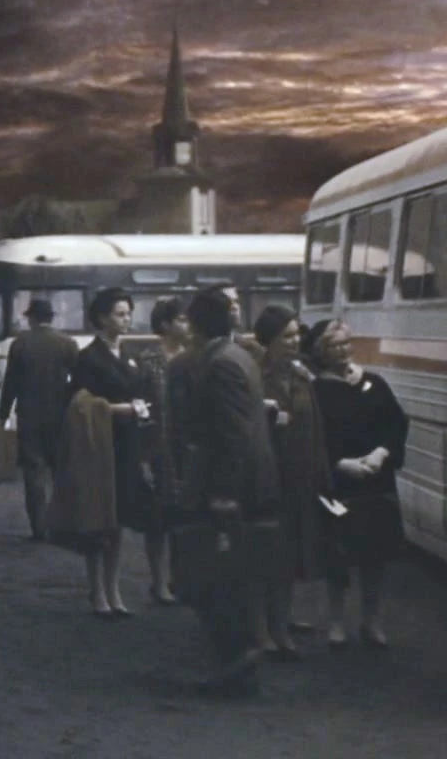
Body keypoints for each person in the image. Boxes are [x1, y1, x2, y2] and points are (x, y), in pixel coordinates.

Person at [170, 287, 282, 697]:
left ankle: (237, 658)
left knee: (217, 576)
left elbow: (232, 435)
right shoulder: (238, 357)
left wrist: (224, 492)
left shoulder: (219, 364)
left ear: (196, 323)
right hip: (247, 482)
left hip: (230, 486)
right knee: (231, 574)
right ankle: (238, 659)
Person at [305, 319, 409, 650]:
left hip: (376, 482)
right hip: (339, 485)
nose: (343, 350)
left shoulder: (374, 383)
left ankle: (372, 622)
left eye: (346, 343)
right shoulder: (316, 390)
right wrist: (339, 464)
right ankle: (336, 622)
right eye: (334, 345)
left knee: (375, 558)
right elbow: (313, 437)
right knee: (338, 556)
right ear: (321, 351)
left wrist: (382, 452)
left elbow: (396, 423)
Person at [59, 287, 152, 617]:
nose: (126, 320)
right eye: (119, 314)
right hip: (98, 444)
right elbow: (79, 405)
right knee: (98, 515)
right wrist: (120, 409)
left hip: (127, 443)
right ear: (102, 318)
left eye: (128, 313)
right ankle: (97, 588)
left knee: (118, 518)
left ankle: (114, 588)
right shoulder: (88, 358)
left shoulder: (128, 354)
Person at [251, 305, 329, 660]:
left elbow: (317, 428)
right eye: (287, 336)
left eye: (297, 334)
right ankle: (261, 630)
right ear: (269, 340)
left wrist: (321, 475)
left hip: (300, 477)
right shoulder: (254, 376)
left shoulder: (302, 375)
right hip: (268, 478)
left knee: (289, 560)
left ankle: (281, 627)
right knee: (264, 558)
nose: (295, 341)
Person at [0, 298, 80, 540]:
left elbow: (10, 383)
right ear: (51, 318)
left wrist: (3, 415)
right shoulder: (67, 344)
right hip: (60, 415)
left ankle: (39, 527)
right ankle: (63, 523)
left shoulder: (20, 344)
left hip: (29, 416)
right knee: (60, 471)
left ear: (31, 318)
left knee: (33, 472)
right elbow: (79, 380)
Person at [133, 297, 189, 605]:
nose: (187, 325)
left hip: (186, 447)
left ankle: (179, 576)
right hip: (157, 446)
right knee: (157, 519)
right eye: (181, 319)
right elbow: (140, 402)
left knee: (183, 516)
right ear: (165, 324)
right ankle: (159, 581)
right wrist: (143, 446)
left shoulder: (192, 357)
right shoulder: (149, 359)